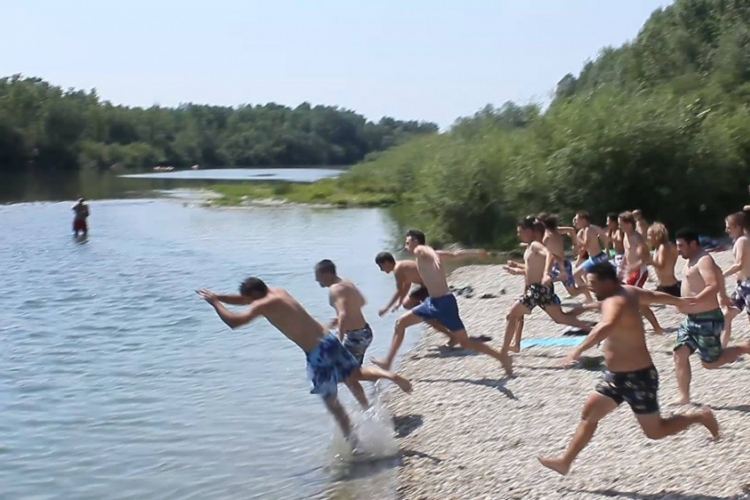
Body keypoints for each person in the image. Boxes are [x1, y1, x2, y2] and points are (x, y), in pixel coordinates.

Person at [537, 262, 719, 476]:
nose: (590, 288)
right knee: (589, 414)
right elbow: (652, 295)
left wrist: (577, 350)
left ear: (608, 282)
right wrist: (677, 301)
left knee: (655, 431)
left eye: (593, 284)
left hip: (639, 377)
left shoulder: (615, 301)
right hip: (615, 377)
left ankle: (699, 417)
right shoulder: (627, 292)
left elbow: (607, 325)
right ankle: (565, 462)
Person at [196, 277, 412, 448]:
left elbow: (235, 322)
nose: (250, 303)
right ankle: (389, 375)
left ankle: (355, 445)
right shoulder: (277, 291)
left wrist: (215, 303)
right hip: (327, 338)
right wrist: (218, 295)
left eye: (250, 299)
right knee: (354, 374)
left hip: (317, 353)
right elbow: (243, 299)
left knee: (332, 404)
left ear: (256, 295)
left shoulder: (264, 303)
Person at [370, 229, 508, 372]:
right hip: (432, 302)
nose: (406, 247)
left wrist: (433, 257)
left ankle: (500, 356)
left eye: (407, 243)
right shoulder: (426, 257)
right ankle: (388, 362)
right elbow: (455, 255)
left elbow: (426, 250)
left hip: (445, 303)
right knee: (400, 323)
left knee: (465, 342)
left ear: (416, 242)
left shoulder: (420, 251)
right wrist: (477, 252)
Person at [501, 218, 593, 372]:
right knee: (560, 318)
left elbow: (550, 255)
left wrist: (546, 274)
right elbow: (534, 267)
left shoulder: (536, 245)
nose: (518, 235)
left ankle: (503, 353)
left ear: (529, 231)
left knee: (511, 314)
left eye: (520, 232)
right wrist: (516, 270)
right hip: (542, 289)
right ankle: (594, 330)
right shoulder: (531, 247)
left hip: (537, 290)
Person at [672, 228, 750, 405]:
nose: (678, 250)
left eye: (681, 246)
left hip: (707, 319)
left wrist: (695, 300)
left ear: (693, 243)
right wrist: (722, 296)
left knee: (710, 363)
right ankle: (684, 396)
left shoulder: (703, 259)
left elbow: (712, 284)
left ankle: (744, 347)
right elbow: (719, 272)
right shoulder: (691, 259)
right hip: (691, 320)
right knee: (679, 353)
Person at [314, 259, 373, 409]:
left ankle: (369, 405)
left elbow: (344, 314)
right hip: (365, 332)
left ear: (326, 274)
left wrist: (338, 340)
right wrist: (340, 318)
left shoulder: (334, 290)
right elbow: (362, 302)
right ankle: (370, 398)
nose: (316, 279)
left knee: (346, 376)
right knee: (350, 374)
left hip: (355, 337)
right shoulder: (347, 282)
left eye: (318, 275)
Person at [619, 211, 664, 335]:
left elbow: (646, 256)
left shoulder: (636, 237)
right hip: (631, 272)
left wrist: (635, 266)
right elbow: (626, 254)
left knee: (632, 299)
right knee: (639, 301)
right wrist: (622, 268)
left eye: (621, 224)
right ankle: (656, 328)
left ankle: (640, 327)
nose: (620, 227)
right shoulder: (626, 236)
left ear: (629, 224)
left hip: (639, 272)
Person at [721, 212, 750, 348]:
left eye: (729, 227)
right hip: (741, 286)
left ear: (738, 227)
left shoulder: (742, 241)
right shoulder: (739, 240)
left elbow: (739, 264)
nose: (726, 231)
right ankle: (721, 349)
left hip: (748, 286)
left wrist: (722, 275)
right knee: (727, 314)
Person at [567, 211, 609, 303]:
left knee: (578, 276)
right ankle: (590, 297)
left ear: (583, 220)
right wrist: (607, 250)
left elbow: (585, 244)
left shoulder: (588, 229)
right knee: (581, 276)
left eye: (577, 219)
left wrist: (574, 236)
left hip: (597, 258)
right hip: (596, 257)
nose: (576, 222)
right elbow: (604, 237)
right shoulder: (591, 228)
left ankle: (593, 296)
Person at [646, 222, 680, 297]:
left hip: (670, 286)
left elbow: (661, 265)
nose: (647, 238)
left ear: (657, 236)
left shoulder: (663, 247)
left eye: (649, 235)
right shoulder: (659, 247)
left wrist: (649, 261)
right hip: (663, 285)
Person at [604, 213, 625, 278]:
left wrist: (610, 239)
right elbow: (606, 243)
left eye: (608, 221)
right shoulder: (611, 231)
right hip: (616, 255)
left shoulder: (618, 231)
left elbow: (620, 241)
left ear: (614, 222)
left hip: (622, 255)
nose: (607, 223)